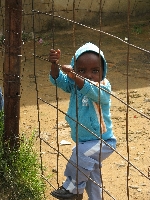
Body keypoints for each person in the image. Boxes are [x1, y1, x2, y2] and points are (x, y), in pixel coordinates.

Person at [49, 42, 117, 200]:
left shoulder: (103, 87)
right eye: (82, 70)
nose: (88, 75)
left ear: (103, 71)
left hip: (103, 141)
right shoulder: (74, 84)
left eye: (95, 71)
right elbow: (59, 81)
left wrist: (75, 75)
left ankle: (72, 189)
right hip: (84, 141)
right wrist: (55, 65)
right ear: (75, 69)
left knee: (78, 154)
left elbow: (91, 89)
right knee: (92, 176)